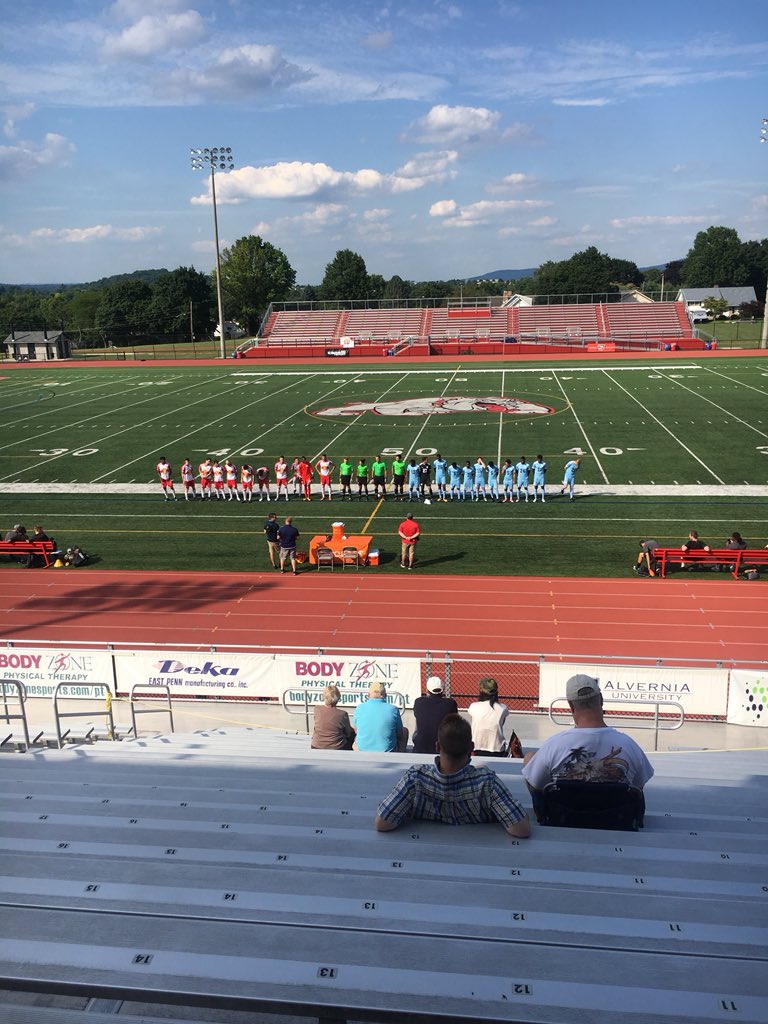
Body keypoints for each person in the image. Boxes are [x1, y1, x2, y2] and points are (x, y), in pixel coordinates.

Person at [521, 674, 654, 821]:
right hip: (616, 821)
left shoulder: (554, 745)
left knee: (529, 759)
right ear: (601, 700)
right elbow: (638, 787)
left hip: (564, 821)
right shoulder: (630, 746)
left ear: (571, 706)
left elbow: (536, 785)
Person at [374, 714, 530, 838]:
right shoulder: (487, 782)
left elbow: (382, 823)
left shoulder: (415, 778)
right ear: (471, 747)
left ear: (437, 746)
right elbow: (521, 829)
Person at [353, 681, 408, 752]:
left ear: (368, 695)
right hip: (387, 751)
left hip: (361, 750)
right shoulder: (393, 709)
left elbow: (355, 730)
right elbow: (399, 733)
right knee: (405, 731)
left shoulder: (359, 708)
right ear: (385, 695)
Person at [412, 676, 458, 754]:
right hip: (443, 745)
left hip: (421, 747)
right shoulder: (450, 703)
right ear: (442, 689)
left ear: (427, 690)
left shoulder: (418, 702)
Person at [468, 677, 510, 756]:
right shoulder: (503, 708)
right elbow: (501, 723)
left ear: (481, 691)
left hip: (476, 749)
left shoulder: (473, 706)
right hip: (497, 750)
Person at [311, 684, 355, 750]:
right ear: (338, 697)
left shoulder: (316, 709)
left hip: (316, 745)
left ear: (324, 697)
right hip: (337, 747)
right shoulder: (342, 714)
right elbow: (348, 732)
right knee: (352, 735)